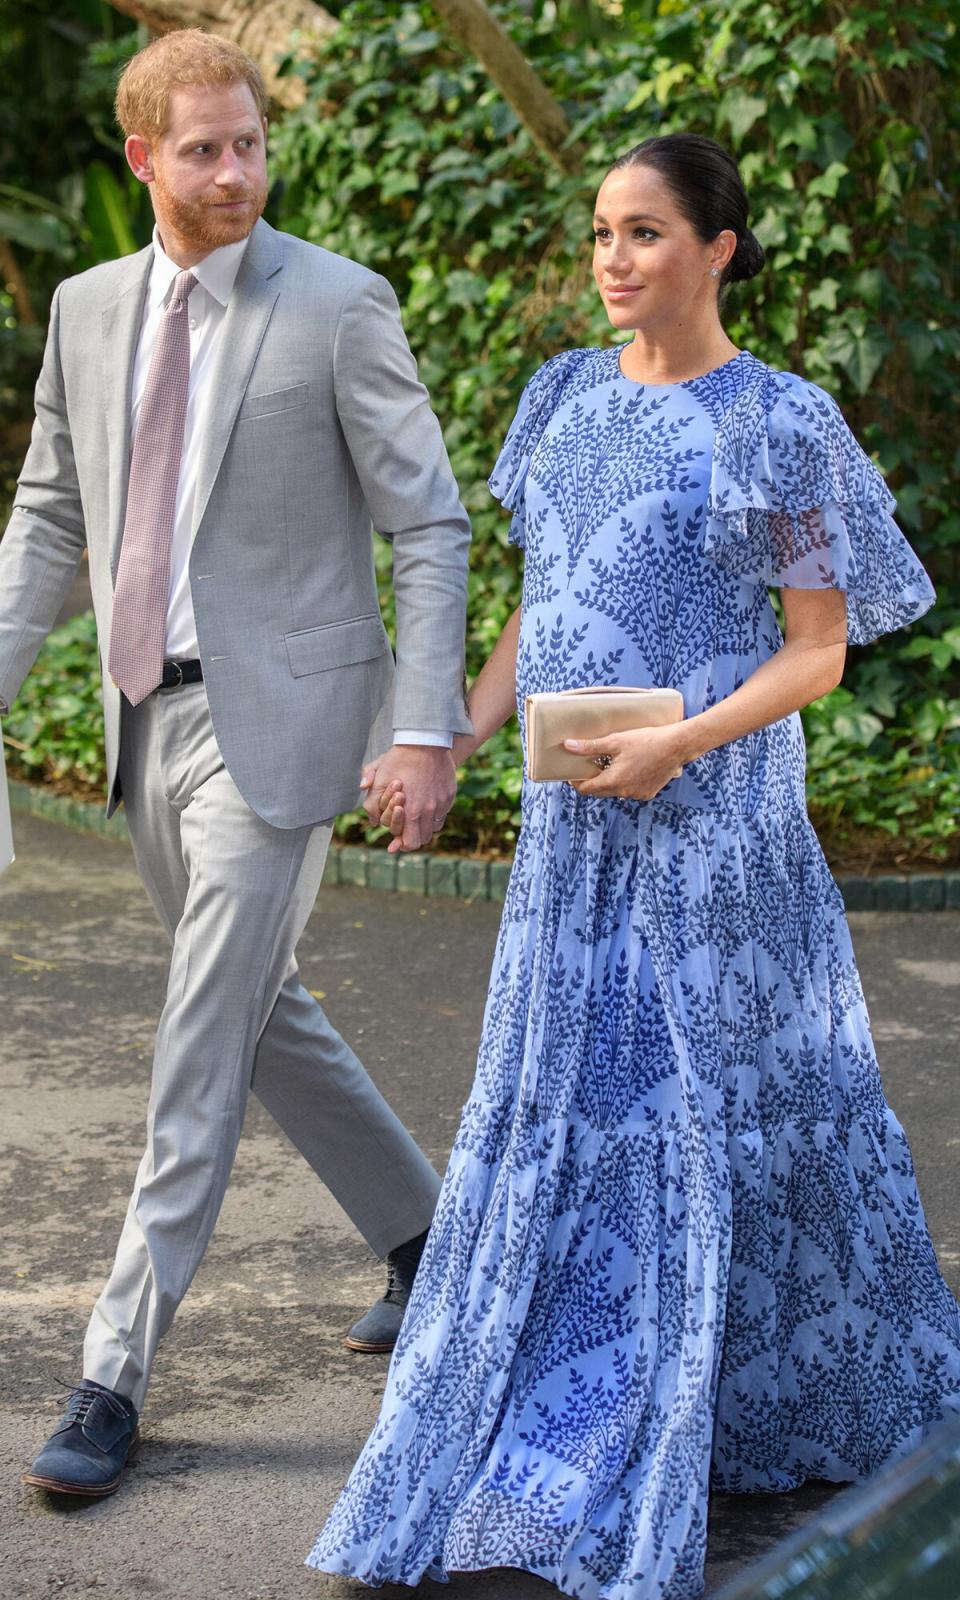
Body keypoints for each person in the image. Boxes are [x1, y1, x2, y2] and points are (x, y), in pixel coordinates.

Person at [307, 133, 960, 1599]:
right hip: (570, 843)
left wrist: (684, 747)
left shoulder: (786, 424)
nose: (614, 258)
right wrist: (451, 738)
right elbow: (541, 613)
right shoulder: (561, 398)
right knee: (576, 1114)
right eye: (604, 232)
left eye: (647, 233)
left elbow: (818, 651)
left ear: (720, 248)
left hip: (720, 846)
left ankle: (738, 1404)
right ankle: (566, 1412)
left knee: (719, 1117)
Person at [0, 28, 472, 1499]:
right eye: (201, 149)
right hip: (146, 716)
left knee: (199, 1038)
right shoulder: (85, 309)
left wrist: (419, 723)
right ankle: (429, 1241)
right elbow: (53, 523)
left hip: (283, 730)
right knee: (261, 1009)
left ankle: (113, 1372)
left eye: (250, 140)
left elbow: (430, 522)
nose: (235, 172)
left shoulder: (337, 303)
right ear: (141, 159)